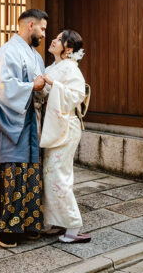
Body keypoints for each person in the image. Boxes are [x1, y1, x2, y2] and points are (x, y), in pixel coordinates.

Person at [0, 8, 48, 248]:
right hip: (12, 124)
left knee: (30, 174)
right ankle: (6, 229)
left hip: (30, 123)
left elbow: (38, 86)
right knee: (14, 174)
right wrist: (33, 86)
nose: (43, 34)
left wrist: (41, 89)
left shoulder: (34, 55)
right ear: (30, 25)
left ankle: (28, 224)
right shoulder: (8, 52)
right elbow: (5, 89)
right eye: (42, 28)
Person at [40, 29, 90, 243]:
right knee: (51, 175)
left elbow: (78, 94)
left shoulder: (70, 68)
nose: (53, 40)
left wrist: (53, 85)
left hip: (66, 127)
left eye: (60, 39)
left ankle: (73, 227)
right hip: (56, 126)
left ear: (68, 49)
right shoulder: (54, 66)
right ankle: (55, 222)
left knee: (58, 176)